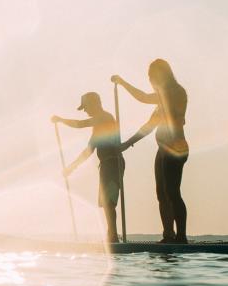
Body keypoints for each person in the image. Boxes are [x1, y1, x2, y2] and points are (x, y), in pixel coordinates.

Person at [111, 59, 188, 243]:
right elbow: (147, 127)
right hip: (162, 150)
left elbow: (144, 98)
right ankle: (168, 235)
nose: (151, 80)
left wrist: (122, 82)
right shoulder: (160, 103)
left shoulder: (176, 92)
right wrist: (126, 144)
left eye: (152, 76)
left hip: (176, 148)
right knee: (161, 193)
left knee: (172, 192)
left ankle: (181, 236)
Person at [51, 92, 124, 244]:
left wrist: (61, 120)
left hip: (113, 163)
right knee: (105, 203)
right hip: (105, 164)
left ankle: (114, 238)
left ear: (95, 103)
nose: (85, 110)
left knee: (109, 202)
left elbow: (79, 124)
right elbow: (89, 150)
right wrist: (71, 167)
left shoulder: (106, 117)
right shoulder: (98, 127)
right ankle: (111, 236)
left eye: (86, 107)